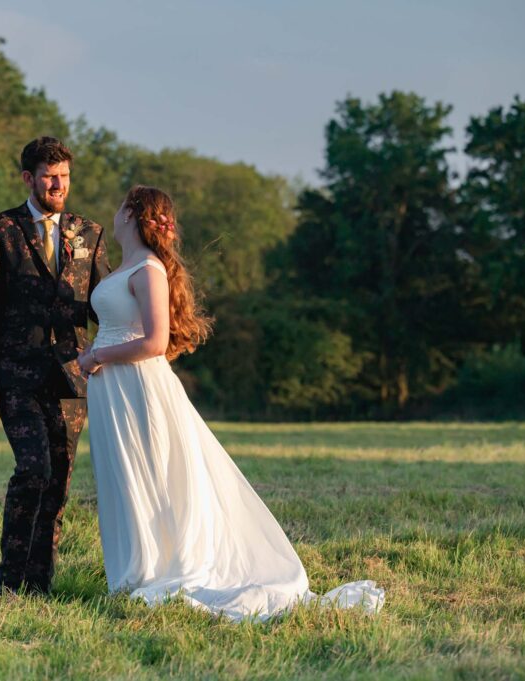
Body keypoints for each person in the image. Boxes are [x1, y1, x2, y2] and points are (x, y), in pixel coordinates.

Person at [76, 185, 384, 621]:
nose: (114, 212)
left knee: (148, 473)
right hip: (113, 389)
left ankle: (153, 571)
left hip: (137, 385)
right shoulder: (124, 268)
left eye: (120, 205)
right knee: (124, 475)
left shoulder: (149, 270)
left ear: (130, 213)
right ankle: (134, 569)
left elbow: (156, 341)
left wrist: (96, 356)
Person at [0, 136, 111, 598]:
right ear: (28, 178)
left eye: (65, 176)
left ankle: (39, 585)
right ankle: (8, 582)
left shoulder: (90, 233)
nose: (58, 184)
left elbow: (104, 306)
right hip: (15, 378)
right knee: (33, 470)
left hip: (73, 377)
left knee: (60, 479)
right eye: (50, 176)